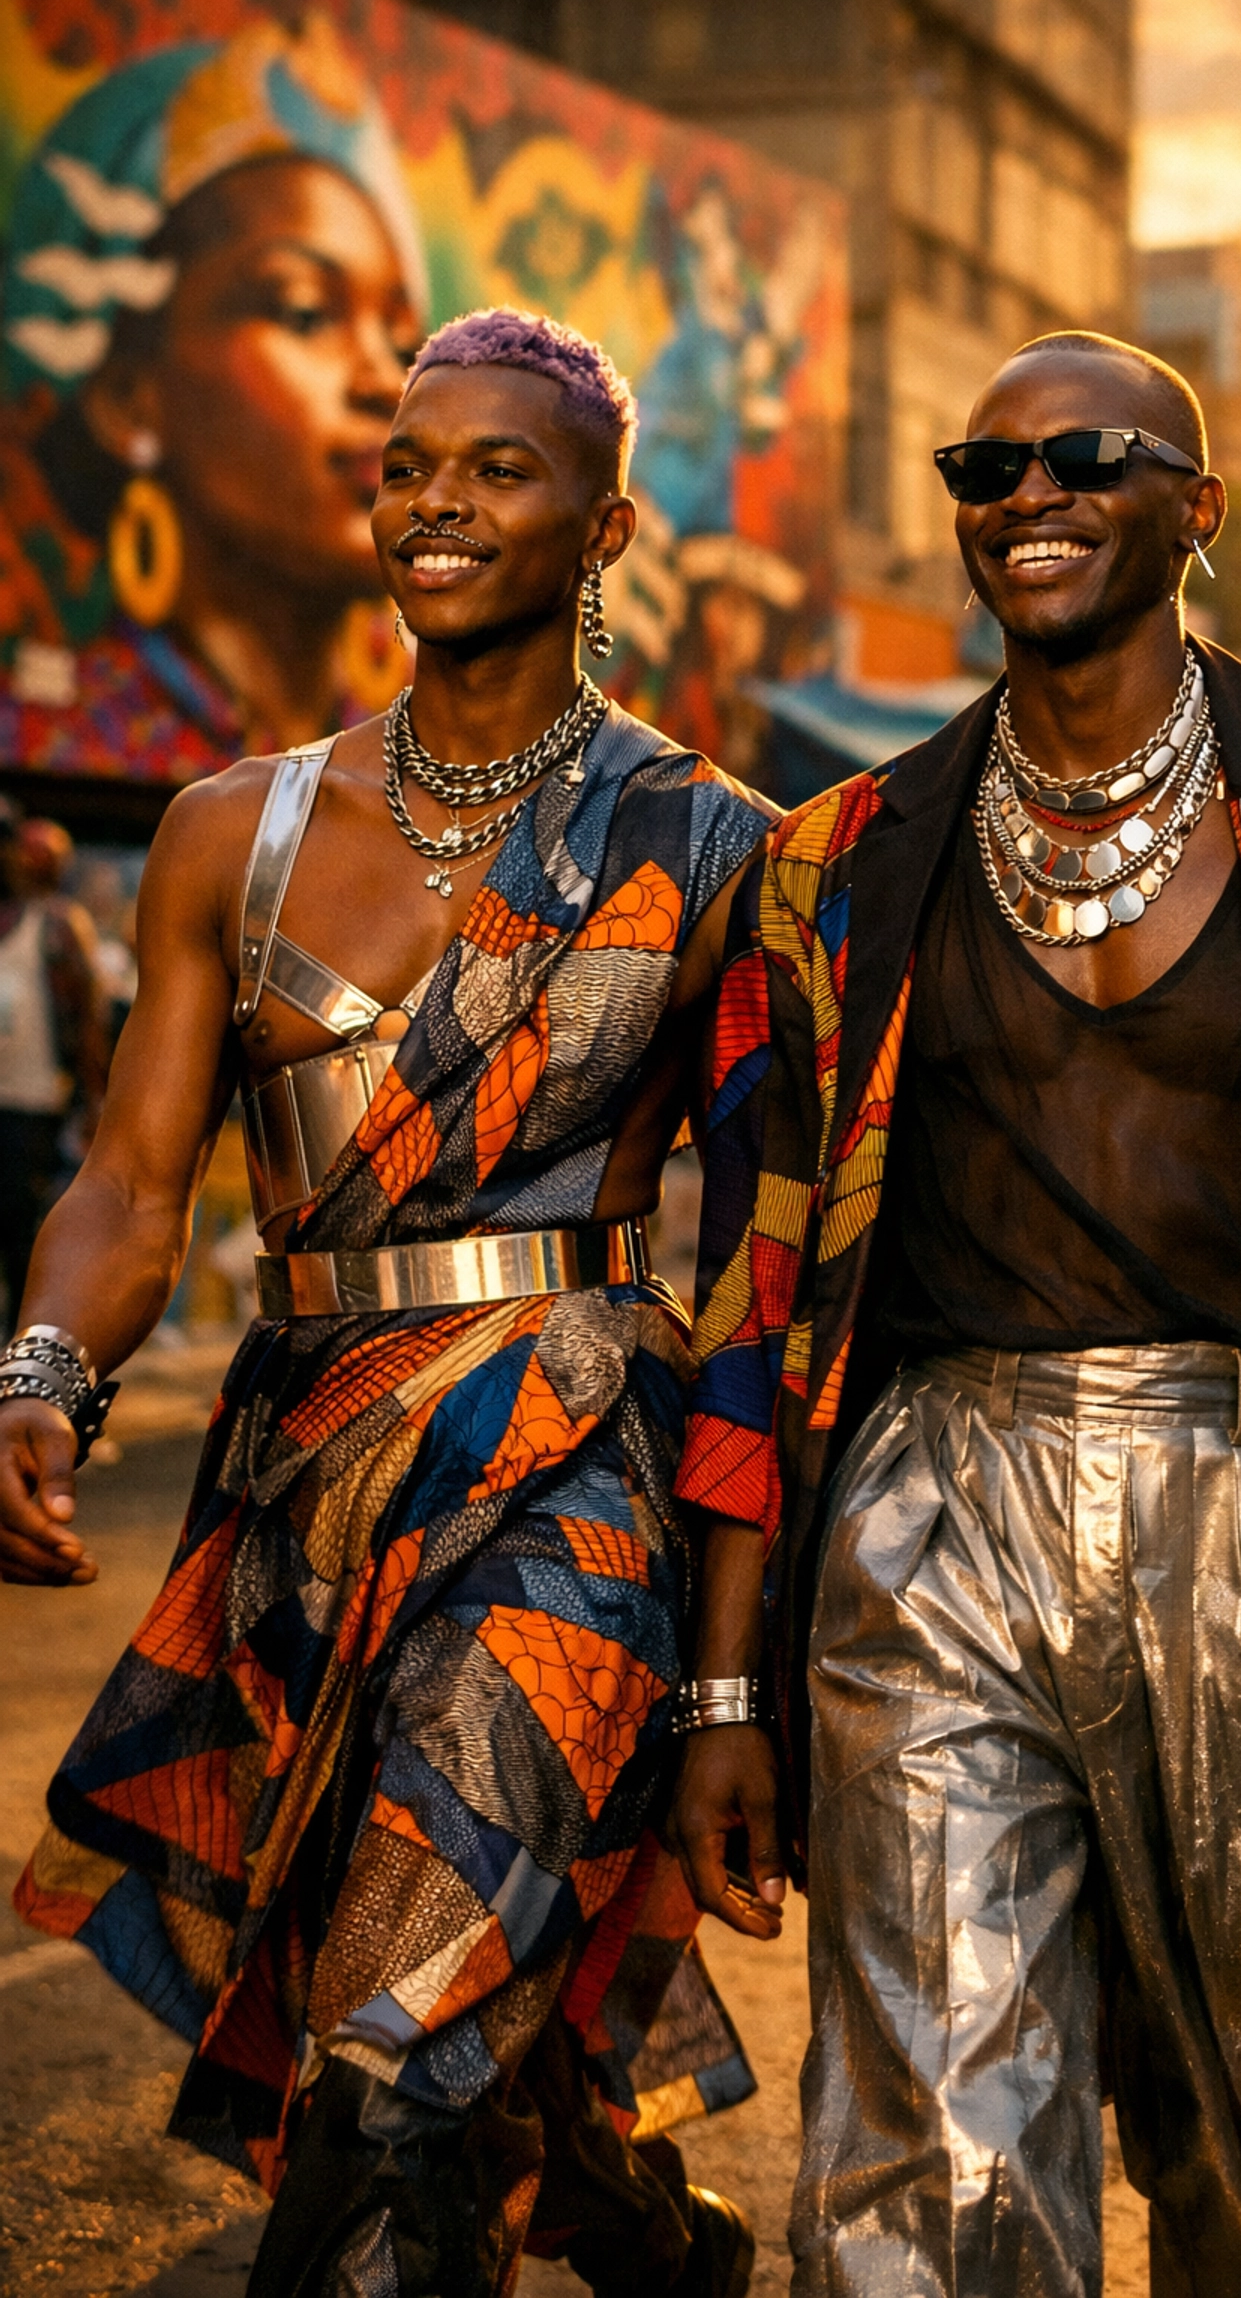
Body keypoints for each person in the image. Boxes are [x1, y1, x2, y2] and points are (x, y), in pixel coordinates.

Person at [672, 330, 1241, 2296]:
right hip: (924, 1529)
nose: (1029, 495)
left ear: (1196, 508)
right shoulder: (843, 866)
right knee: (934, 2155)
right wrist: (726, 1684)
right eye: (988, 468)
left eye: (1086, 454)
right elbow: (754, 1294)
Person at [3, 307, 773, 2298]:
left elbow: (778, 1265)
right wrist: (47, 1369)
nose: (436, 505)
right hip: (304, 1499)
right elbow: (133, 1180)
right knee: (435, 2009)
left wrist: (750, 1667)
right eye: (407, 465)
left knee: (391, 2048)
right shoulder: (226, 834)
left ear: (605, 528)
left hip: (571, 1492)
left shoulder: (715, 853)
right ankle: (639, 2233)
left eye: (496, 468)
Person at [1, 14, 422, 783]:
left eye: (403, 342)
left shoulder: (422, 779)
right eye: (305, 313)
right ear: (132, 395)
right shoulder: (52, 743)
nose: (387, 384)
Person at [0, 813, 107, 1330]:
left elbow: (87, 1020)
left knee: (24, 1231)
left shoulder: (61, 926)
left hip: (32, 1104)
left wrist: (93, 1099)